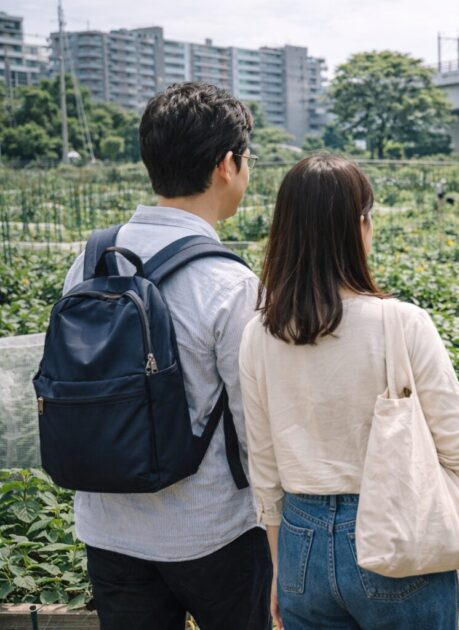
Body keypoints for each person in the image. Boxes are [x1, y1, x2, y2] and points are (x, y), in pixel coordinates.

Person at [239, 153, 459, 630]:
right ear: (358, 226)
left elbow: (264, 464)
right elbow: (457, 442)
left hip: (301, 537)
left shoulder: (259, 333)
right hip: (400, 527)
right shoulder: (401, 323)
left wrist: (280, 567)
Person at [60, 81, 270, 630]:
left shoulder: (90, 261)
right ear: (228, 164)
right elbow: (254, 424)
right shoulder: (230, 283)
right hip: (212, 529)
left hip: (108, 526)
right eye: (246, 159)